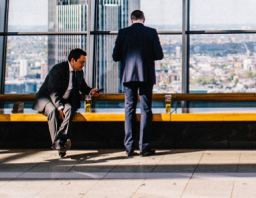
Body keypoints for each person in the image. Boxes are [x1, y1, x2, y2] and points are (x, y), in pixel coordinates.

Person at [32, 48, 101, 157]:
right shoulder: (57, 69)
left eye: (84, 62)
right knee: (53, 111)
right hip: (46, 99)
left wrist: (91, 91)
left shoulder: (79, 72)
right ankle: (60, 145)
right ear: (73, 60)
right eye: (81, 62)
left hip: (63, 101)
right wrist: (59, 108)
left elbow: (82, 86)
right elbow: (53, 92)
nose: (83, 65)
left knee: (69, 109)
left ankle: (59, 141)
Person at [112, 10, 163, 157]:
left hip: (128, 76)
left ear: (131, 20)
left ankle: (129, 147)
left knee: (129, 110)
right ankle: (144, 147)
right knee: (146, 110)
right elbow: (159, 55)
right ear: (144, 19)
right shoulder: (151, 32)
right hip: (145, 75)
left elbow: (116, 56)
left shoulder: (123, 33)